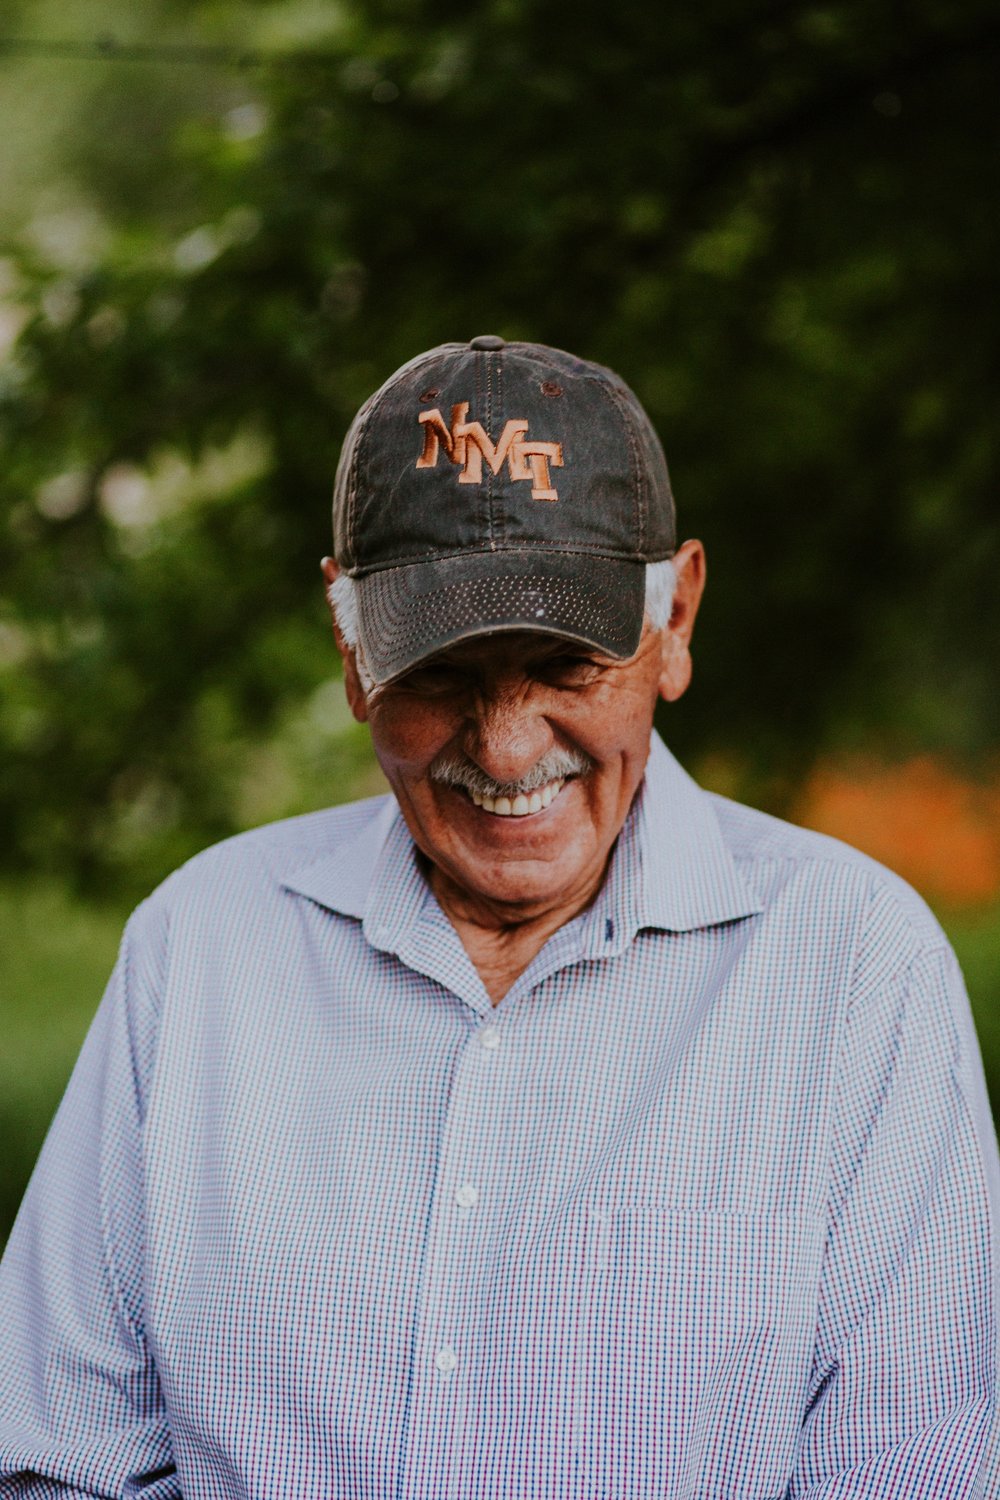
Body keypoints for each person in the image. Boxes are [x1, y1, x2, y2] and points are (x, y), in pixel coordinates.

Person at [0, 335, 997, 1499]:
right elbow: (56, 1460)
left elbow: (912, 1473)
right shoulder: (199, 948)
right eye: (440, 675)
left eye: (564, 666)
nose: (506, 745)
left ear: (674, 618)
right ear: (351, 648)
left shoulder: (854, 966)